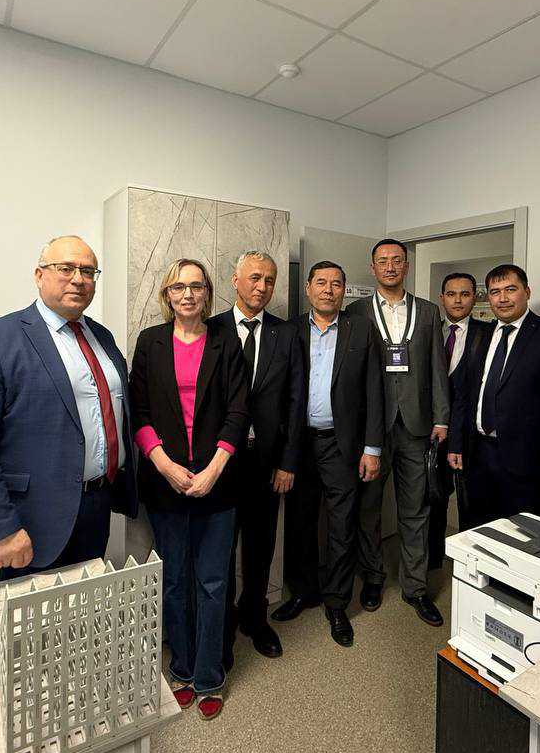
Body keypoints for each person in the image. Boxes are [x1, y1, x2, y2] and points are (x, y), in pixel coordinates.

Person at [0, 235, 138, 579]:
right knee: (34, 615)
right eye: (65, 268)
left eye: (88, 271)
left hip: (96, 507)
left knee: (84, 608)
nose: (78, 279)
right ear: (39, 275)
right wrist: (0, 529)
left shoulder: (102, 338)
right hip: (31, 520)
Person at [130, 258, 249, 720]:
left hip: (218, 482)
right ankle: (180, 669)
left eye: (196, 286)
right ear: (167, 294)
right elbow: (139, 412)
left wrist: (215, 469)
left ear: (207, 294)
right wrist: (164, 465)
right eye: (178, 287)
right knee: (176, 581)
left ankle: (209, 676)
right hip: (166, 483)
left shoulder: (226, 341)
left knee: (214, 583)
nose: (187, 294)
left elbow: (238, 412)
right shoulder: (150, 342)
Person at [271, 261, 383, 648]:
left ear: (344, 290)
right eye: (321, 282)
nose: (328, 290)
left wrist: (372, 448)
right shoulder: (290, 331)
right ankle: (304, 592)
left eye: (337, 284)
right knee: (300, 522)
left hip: (342, 444)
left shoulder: (361, 329)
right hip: (299, 445)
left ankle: (337, 603)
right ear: (308, 288)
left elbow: (374, 389)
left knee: (342, 525)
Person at [346, 239, 449, 627]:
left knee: (415, 509)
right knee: (368, 508)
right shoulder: (356, 311)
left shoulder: (428, 311)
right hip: (370, 428)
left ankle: (415, 588)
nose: (390, 266)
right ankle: (373, 578)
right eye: (383, 261)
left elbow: (437, 368)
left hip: (417, 426)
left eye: (397, 261)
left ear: (406, 266)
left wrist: (442, 418)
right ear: (372, 267)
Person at [209, 250, 305, 662]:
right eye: (254, 278)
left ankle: (255, 618)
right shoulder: (210, 329)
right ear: (235, 280)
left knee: (261, 546)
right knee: (221, 548)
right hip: (220, 464)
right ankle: (224, 625)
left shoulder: (287, 334)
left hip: (267, 463)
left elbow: (296, 401)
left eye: (269, 280)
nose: (262, 287)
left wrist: (288, 462)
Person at [448, 263, 540, 526]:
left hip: (525, 461)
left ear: (527, 292)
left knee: (520, 535)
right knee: (476, 531)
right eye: (495, 292)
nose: (503, 298)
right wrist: (456, 444)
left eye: (510, 289)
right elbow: (466, 395)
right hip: (477, 455)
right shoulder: (481, 335)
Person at [428, 272, 493, 566]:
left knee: (471, 501)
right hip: (433, 431)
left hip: (471, 434)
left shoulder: (488, 333)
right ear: (441, 298)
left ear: (475, 298)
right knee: (434, 499)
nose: (458, 300)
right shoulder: (429, 330)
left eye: (465, 294)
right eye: (451, 294)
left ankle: (469, 564)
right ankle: (433, 560)